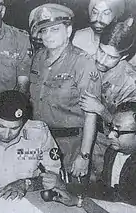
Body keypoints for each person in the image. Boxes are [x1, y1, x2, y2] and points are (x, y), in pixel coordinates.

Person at [29, 4, 101, 179]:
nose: (48, 36)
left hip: (70, 144)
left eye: (54, 30)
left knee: (69, 195)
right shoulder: (38, 57)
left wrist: (84, 156)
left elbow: (91, 114)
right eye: (44, 31)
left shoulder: (83, 62)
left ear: (68, 31)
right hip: (40, 141)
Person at [79, 18, 136, 179]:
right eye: (101, 51)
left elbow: (129, 133)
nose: (102, 60)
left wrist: (100, 110)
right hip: (79, 139)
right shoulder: (86, 62)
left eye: (111, 57)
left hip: (109, 147)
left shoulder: (130, 82)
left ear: (124, 57)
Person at [52, 102, 136, 207]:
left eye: (117, 131)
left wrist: (79, 201)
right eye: (111, 128)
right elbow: (104, 189)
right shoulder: (112, 152)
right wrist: (65, 187)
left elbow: (125, 202)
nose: (110, 136)